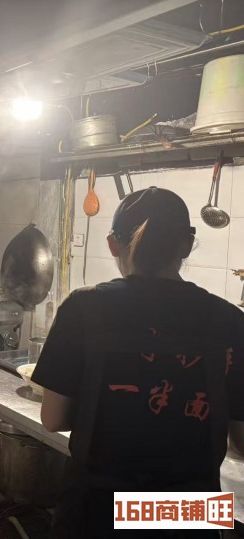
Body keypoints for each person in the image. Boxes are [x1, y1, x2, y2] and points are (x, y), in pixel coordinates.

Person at [31, 187, 244, 538]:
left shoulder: (83, 307)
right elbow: (241, 442)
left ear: (113, 245)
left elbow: (53, 419)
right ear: (187, 245)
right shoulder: (230, 320)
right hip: (190, 510)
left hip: (99, 506)